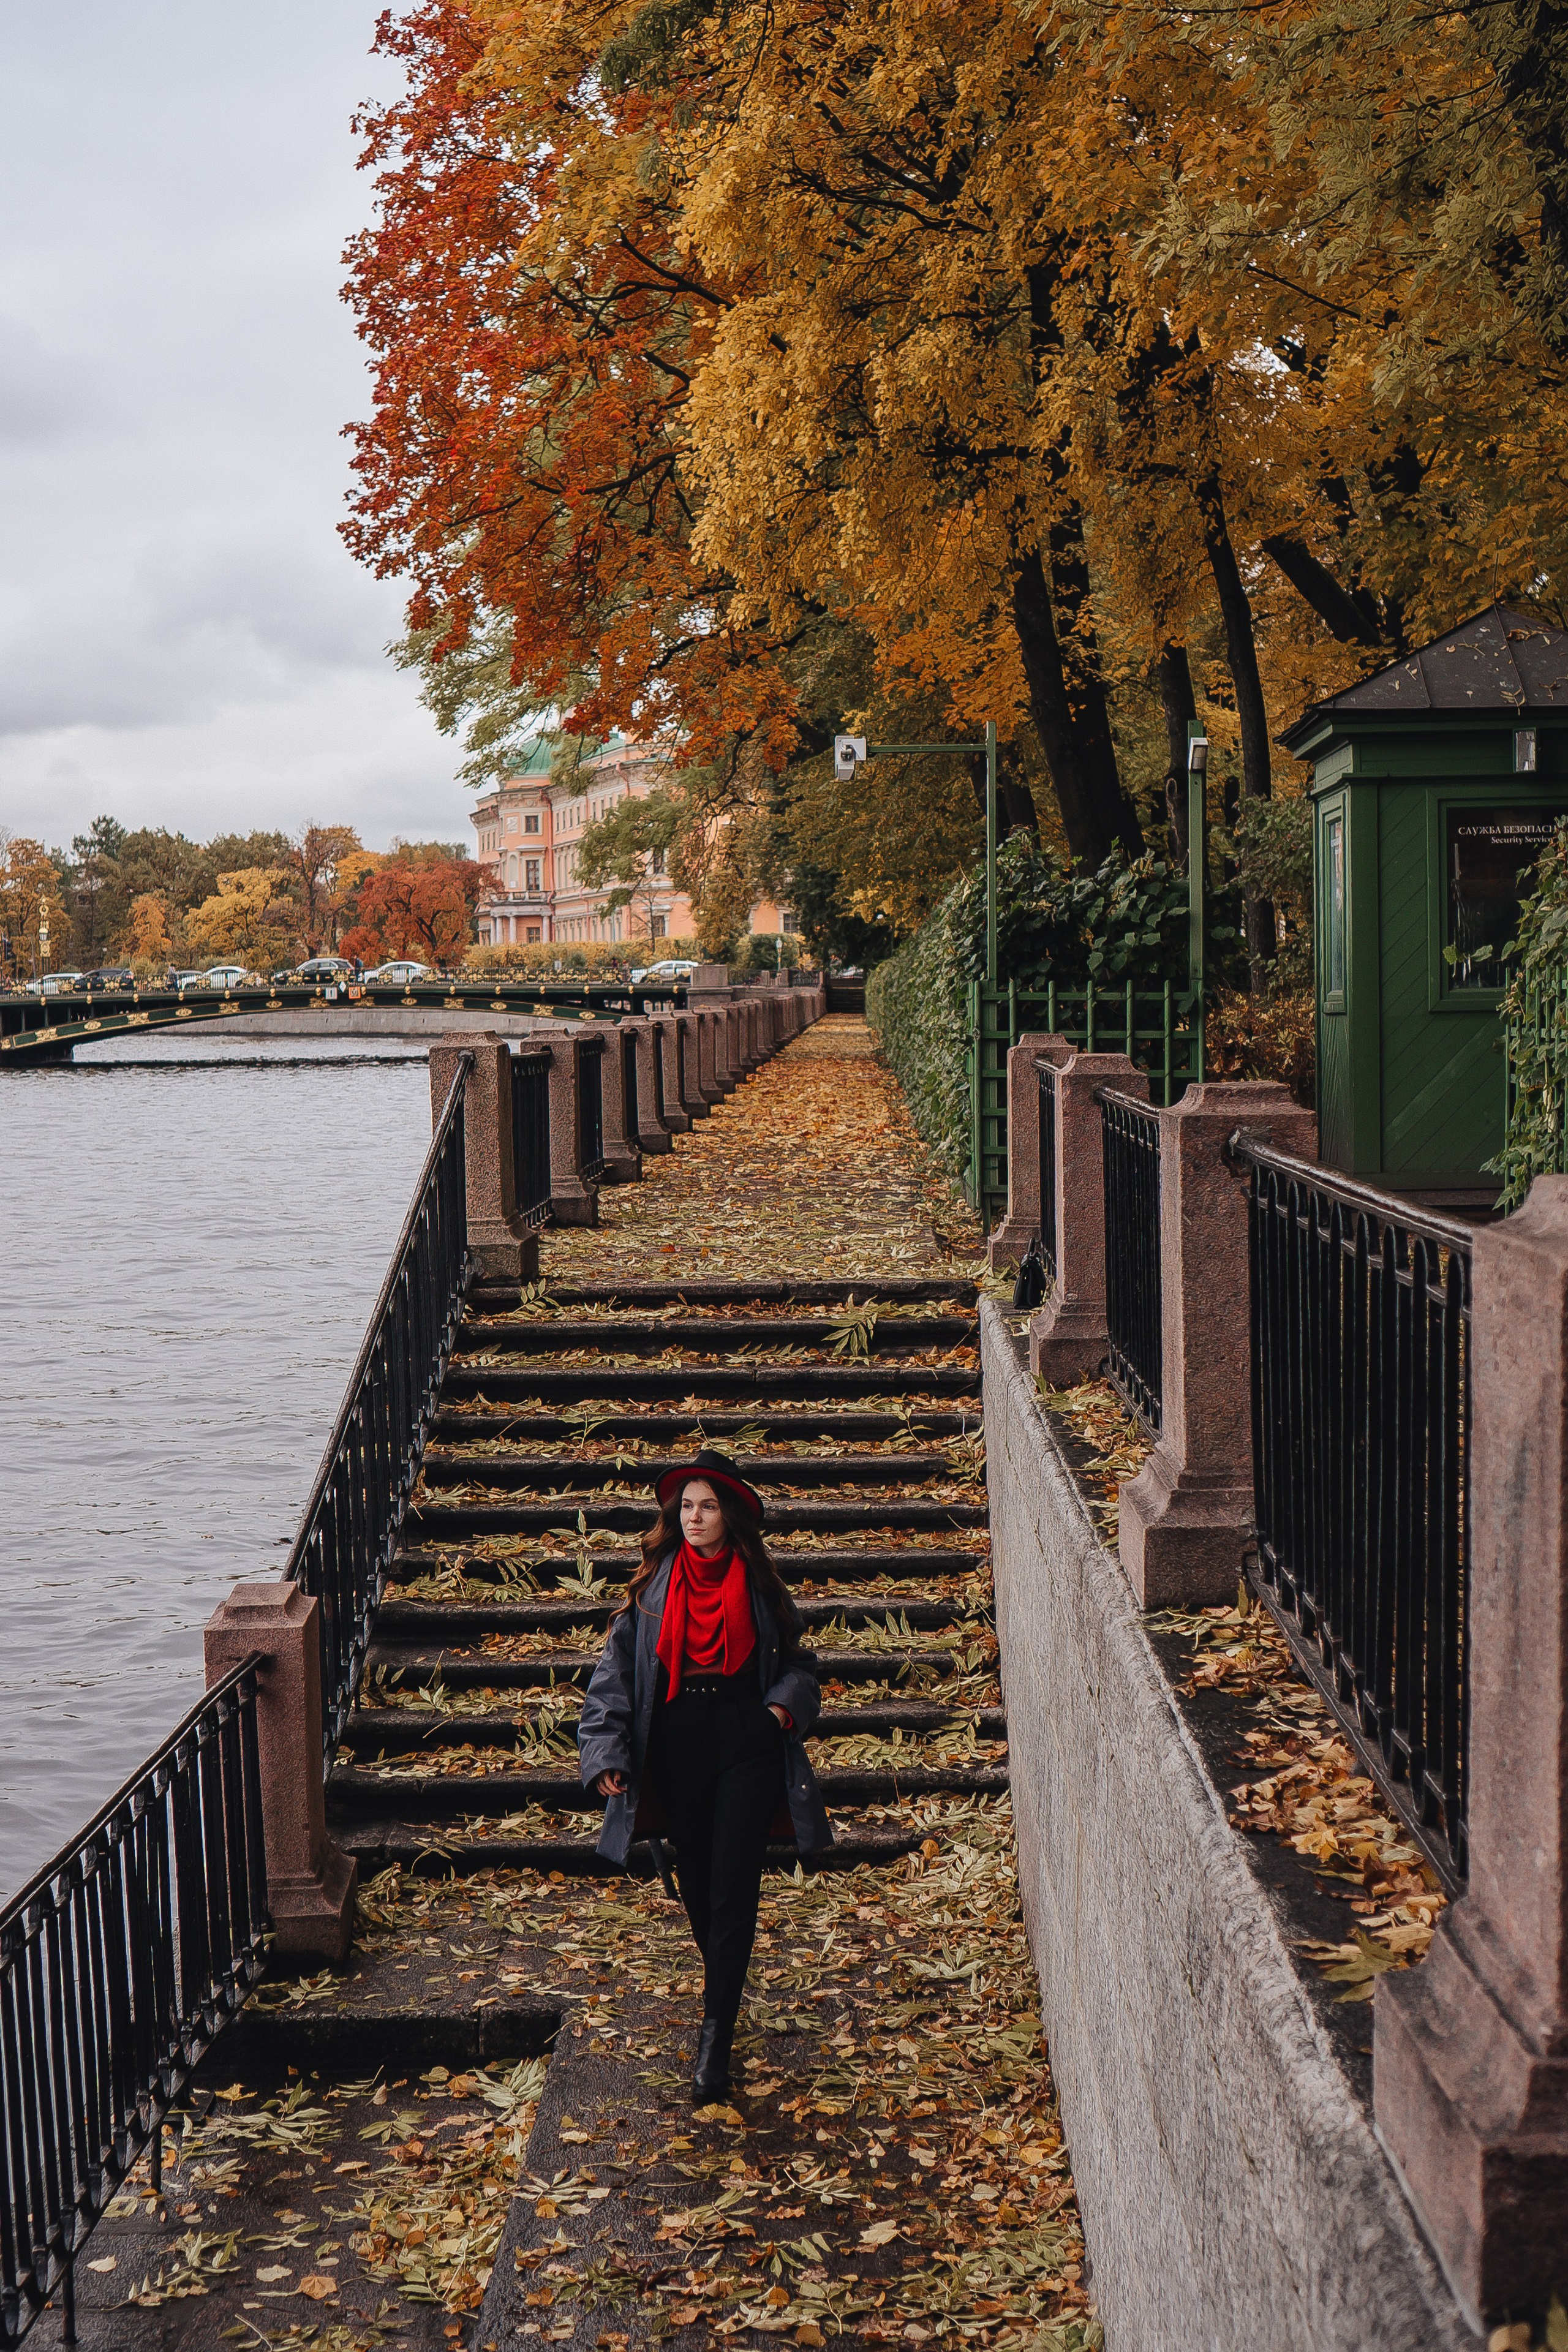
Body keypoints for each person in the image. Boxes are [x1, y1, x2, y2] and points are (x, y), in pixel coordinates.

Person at [577, 1447, 832, 2102]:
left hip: (745, 1737)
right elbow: (615, 1678)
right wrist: (606, 1752)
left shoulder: (759, 1583)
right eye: (686, 1506)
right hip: (676, 1740)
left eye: (708, 1506)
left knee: (733, 1883)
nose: (694, 1517)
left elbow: (800, 1666)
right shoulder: (652, 1587)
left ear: (729, 1516)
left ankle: (714, 2036)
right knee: (696, 1880)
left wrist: (778, 1711)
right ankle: (723, 1990)